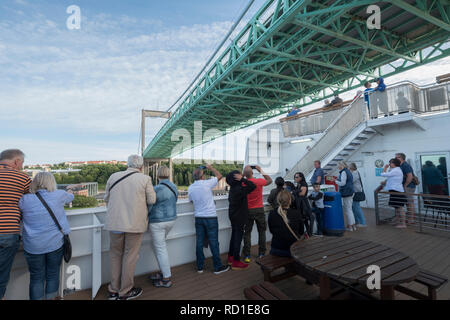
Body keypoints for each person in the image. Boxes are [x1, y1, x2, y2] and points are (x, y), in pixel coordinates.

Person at [104, 155, 156, 300]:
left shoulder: (113, 176)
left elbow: (106, 198)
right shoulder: (145, 179)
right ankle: (125, 291)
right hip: (134, 223)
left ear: (127, 164)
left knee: (115, 255)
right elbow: (152, 199)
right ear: (141, 167)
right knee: (130, 257)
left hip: (114, 223)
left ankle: (113, 289)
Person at [18, 172, 73, 300]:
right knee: (53, 274)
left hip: (33, 245)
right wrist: (69, 189)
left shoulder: (24, 199)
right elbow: (71, 197)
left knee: (36, 277)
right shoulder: (59, 195)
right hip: (55, 244)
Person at [0, 149, 31, 299]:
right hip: (8, 232)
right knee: (2, 273)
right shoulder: (23, 178)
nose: (22, 166)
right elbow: (32, 202)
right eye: (22, 163)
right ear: (16, 161)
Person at [188, 164, 230, 274]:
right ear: (202, 176)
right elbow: (219, 176)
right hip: (210, 217)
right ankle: (217, 267)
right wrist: (210, 167)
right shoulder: (207, 183)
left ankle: (200, 267)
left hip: (199, 218)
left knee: (199, 242)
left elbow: (191, 201)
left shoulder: (190, 188)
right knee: (214, 242)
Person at [147, 166, 178, 288]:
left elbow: (149, 205)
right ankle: (163, 272)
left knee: (160, 249)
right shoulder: (174, 187)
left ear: (157, 175)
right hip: (171, 220)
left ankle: (166, 279)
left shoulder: (156, 189)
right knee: (160, 247)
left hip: (157, 222)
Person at [242, 165, 273, 263]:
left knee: (247, 233)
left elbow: (236, 182)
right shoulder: (259, 181)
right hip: (259, 209)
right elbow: (270, 180)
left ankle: (247, 255)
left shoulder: (243, 183)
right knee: (261, 231)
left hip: (247, 210)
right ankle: (261, 253)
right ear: (252, 173)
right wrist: (260, 170)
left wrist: (244, 175)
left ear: (245, 174)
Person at [225, 170, 256, 270]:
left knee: (234, 236)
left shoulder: (233, 189)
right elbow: (253, 186)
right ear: (237, 178)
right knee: (238, 238)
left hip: (233, 215)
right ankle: (236, 262)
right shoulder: (240, 189)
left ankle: (230, 257)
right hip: (239, 217)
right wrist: (243, 179)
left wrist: (241, 179)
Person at [268, 190, 304, 257]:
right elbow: (301, 231)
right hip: (292, 249)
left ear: (278, 200)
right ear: (290, 200)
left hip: (276, 248)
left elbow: (271, 230)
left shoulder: (272, 213)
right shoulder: (296, 213)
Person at [381, 158, 407, 228]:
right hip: (394, 190)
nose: (389, 164)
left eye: (391, 163)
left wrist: (385, 168)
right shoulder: (394, 170)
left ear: (395, 163)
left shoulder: (396, 170)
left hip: (397, 191)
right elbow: (389, 177)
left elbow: (383, 174)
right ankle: (398, 222)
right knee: (396, 207)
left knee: (399, 207)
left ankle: (403, 224)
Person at [395, 153, 417, 223]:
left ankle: (411, 219)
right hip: (404, 186)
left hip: (409, 186)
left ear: (402, 158)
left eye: (397, 157)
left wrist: (405, 185)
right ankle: (407, 218)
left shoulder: (406, 165)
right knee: (407, 202)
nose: (395, 158)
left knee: (409, 202)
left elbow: (410, 176)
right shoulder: (400, 166)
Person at [334, 162, 356, 231]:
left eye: (339, 165)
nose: (338, 167)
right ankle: (353, 225)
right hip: (350, 192)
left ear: (342, 166)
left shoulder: (343, 172)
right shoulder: (348, 171)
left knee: (348, 210)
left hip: (347, 193)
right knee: (350, 209)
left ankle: (350, 226)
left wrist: (335, 181)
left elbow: (343, 183)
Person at [293, 172, 313, 236]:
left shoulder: (303, 184)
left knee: (306, 218)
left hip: (304, 203)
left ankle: (310, 233)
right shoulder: (299, 184)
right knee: (304, 220)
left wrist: (294, 193)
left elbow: (302, 194)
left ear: (301, 177)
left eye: (296, 177)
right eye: (295, 177)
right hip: (300, 203)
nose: (295, 178)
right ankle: (308, 233)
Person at [349, 163, 366, 227]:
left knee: (356, 207)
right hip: (354, 192)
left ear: (352, 168)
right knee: (354, 207)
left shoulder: (355, 173)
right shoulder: (354, 172)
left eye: (349, 168)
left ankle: (362, 222)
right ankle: (357, 221)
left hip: (357, 192)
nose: (348, 169)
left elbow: (351, 181)